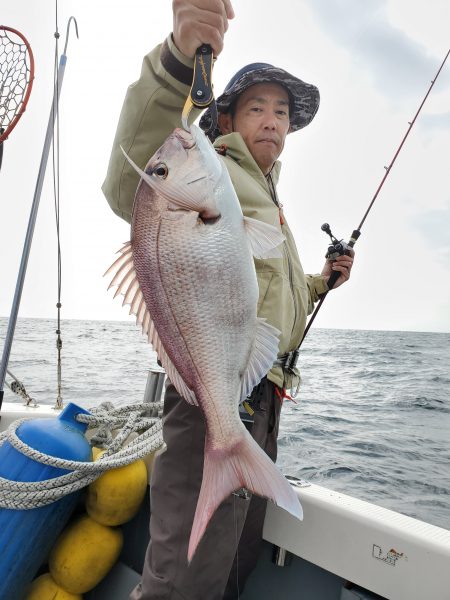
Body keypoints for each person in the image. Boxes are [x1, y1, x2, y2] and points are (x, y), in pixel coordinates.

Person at [102, 2, 354, 598]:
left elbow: (267, 294)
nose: (272, 120)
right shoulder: (210, 172)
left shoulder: (265, 199)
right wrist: (176, 58)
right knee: (185, 575)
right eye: (257, 107)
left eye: (282, 112)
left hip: (257, 398)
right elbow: (130, 178)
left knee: (232, 564)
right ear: (230, 121)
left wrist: (319, 282)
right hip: (210, 395)